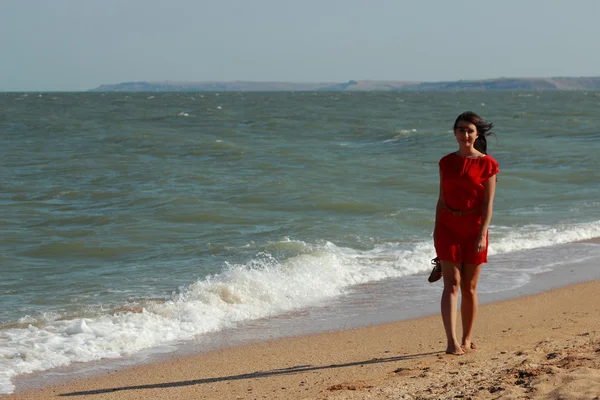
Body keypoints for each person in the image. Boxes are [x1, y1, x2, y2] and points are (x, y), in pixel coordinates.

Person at [431, 111, 499, 355]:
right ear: (455, 133)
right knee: (451, 284)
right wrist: (436, 228)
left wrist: (483, 233)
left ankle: (467, 338)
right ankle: (451, 342)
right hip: (448, 227)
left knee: (469, 287)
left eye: (469, 130)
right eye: (460, 129)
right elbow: (441, 198)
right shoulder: (445, 162)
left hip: (474, 229)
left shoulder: (487, 163)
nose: (465, 134)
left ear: (477, 134)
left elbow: (488, 204)